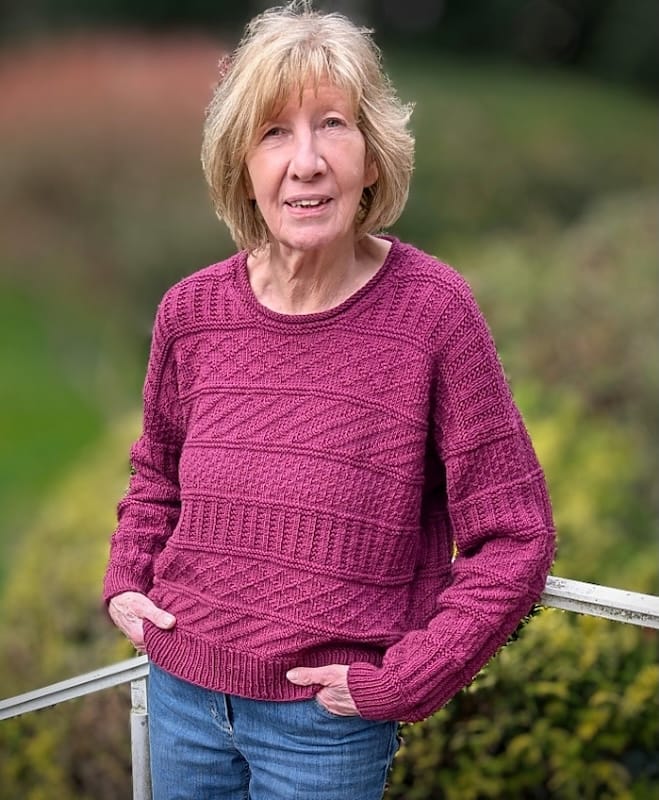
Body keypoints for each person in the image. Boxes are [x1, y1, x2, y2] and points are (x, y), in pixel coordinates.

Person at [103, 2, 556, 798]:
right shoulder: (190, 312)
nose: (304, 162)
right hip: (179, 698)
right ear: (240, 164)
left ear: (373, 157)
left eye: (332, 126)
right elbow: (157, 474)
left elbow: (514, 538)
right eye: (273, 132)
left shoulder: (433, 315)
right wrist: (128, 578)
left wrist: (407, 676)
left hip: (323, 732)